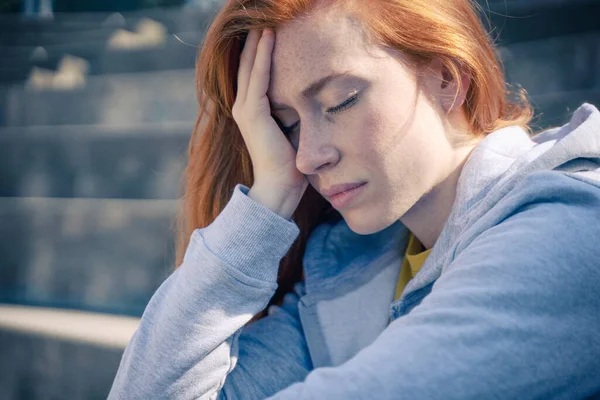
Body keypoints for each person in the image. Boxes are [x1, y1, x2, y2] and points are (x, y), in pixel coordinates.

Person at [108, 0, 600, 398]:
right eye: (287, 124)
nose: (307, 157)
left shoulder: (569, 223)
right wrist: (267, 202)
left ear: (447, 78)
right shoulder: (343, 269)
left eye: (340, 101)